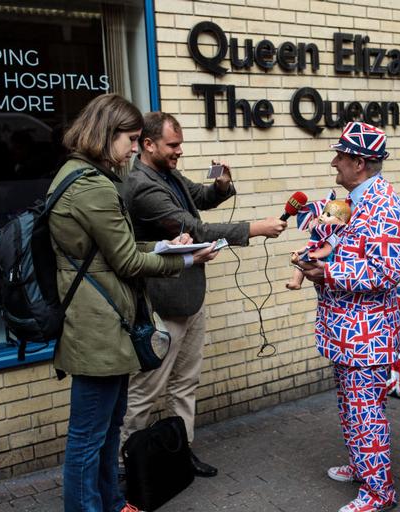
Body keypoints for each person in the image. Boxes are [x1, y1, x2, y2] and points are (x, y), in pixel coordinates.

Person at [49, 94, 218, 512]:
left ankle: (111, 501)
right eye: (129, 138)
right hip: (97, 326)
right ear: (107, 135)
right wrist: (183, 258)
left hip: (106, 322)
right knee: (89, 437)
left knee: (106, 431)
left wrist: (164, 245)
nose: (132, 148)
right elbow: (126, 260)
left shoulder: (83, 175)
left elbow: (115, 248)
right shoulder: (91, 186)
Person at [120, 111, 287, 476]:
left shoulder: (165, 173)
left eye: (180, 144)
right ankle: (128, 465)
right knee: (148, 389)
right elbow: (194, 228)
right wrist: (255, 228)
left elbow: (199, 198)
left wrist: (222, 185)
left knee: (185, 382)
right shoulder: (142, 186)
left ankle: (182, 451)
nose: (179, 151)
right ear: (148, 145)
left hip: (189, 296)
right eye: (173, 145)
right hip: (162, 304)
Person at [298, 121, 400, 512]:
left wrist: (326, 272)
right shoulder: (347, 199)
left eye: (340, 157)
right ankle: (363, 466)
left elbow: (384, 273)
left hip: (368, 336)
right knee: (350, 407)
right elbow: (334, 244)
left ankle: (380, 493)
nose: (334, 163)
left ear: (359, 163)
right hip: (345, 331)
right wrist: (314, 256)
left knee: (366, 413)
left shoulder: (384, 205)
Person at [286, 199, 351, 290]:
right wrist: (300, 251)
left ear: (341, 222)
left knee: (303, 263)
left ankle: (297, 265)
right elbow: (311, 245)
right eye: (323, 213)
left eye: (328, 215)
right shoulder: (322, 232)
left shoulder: (333, 236)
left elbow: (327, 249)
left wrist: (315, 254)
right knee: (301, 264)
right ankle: (296, 281)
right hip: (315, 256)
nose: (322, 216)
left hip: (323, 260)